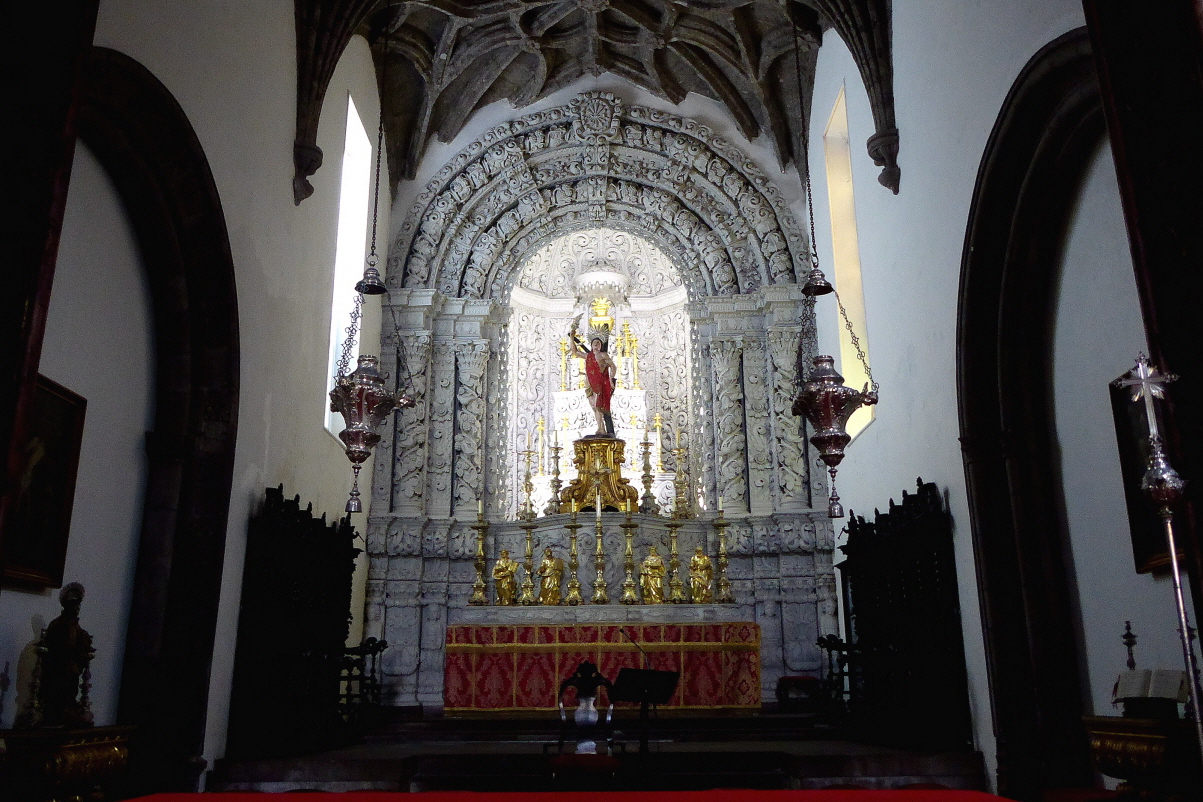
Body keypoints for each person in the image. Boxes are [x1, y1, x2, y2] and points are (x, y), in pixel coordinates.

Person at [569, 320, 617, 436]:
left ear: (601, 345)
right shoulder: (588, 356)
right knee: (594, 407)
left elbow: (613, 366)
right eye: (594, 342)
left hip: (599, 383)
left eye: (598, 343)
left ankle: (601, 428)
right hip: (589, 384)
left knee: (598, 406)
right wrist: (571, 338)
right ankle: (601, 428)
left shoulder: (603, 355)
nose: (596, 344)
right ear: (591, 345)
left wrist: (611, 379)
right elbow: (575, 351)